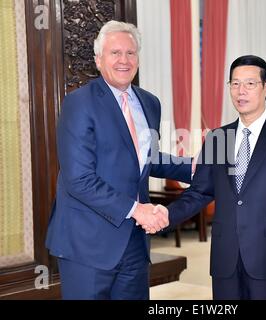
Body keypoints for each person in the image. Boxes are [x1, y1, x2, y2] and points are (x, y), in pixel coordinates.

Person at [45, 20, 191, 300]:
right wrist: (138, 210)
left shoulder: (150, 102)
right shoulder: (79, 103)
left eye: (131, 53)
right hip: (87, 245)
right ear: (99, 60)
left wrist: (195, 167)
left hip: (135, 243)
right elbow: (79, 179)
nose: (124, 60)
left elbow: (146, 158)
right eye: (115, 53)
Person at [160, 55, 266, 300]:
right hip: (225, 259)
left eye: (250, 84)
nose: (241, 91)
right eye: (235, 84)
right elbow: (200, 190)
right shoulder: (217, 138)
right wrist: (165, 215)